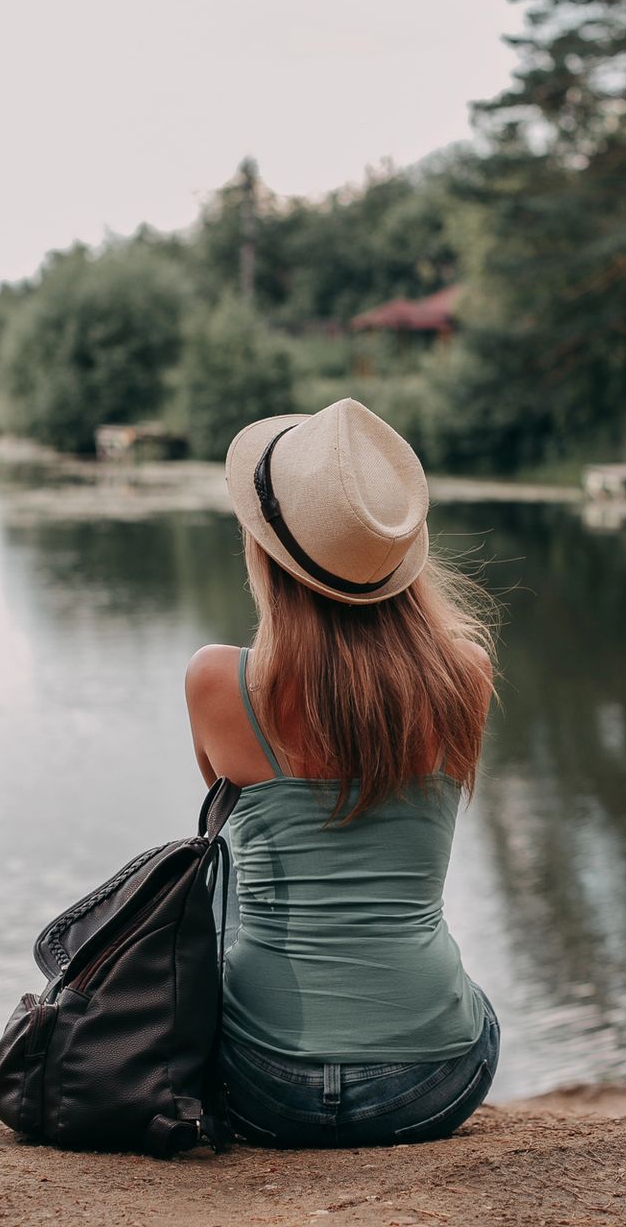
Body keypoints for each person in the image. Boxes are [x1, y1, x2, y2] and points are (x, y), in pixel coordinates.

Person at [184, 398, 500, 1148]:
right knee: (472, 1005)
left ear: (268, 552)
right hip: (431, 1082)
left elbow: (225, 815)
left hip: (262, 1085)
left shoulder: (214, 683)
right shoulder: (468, 676)